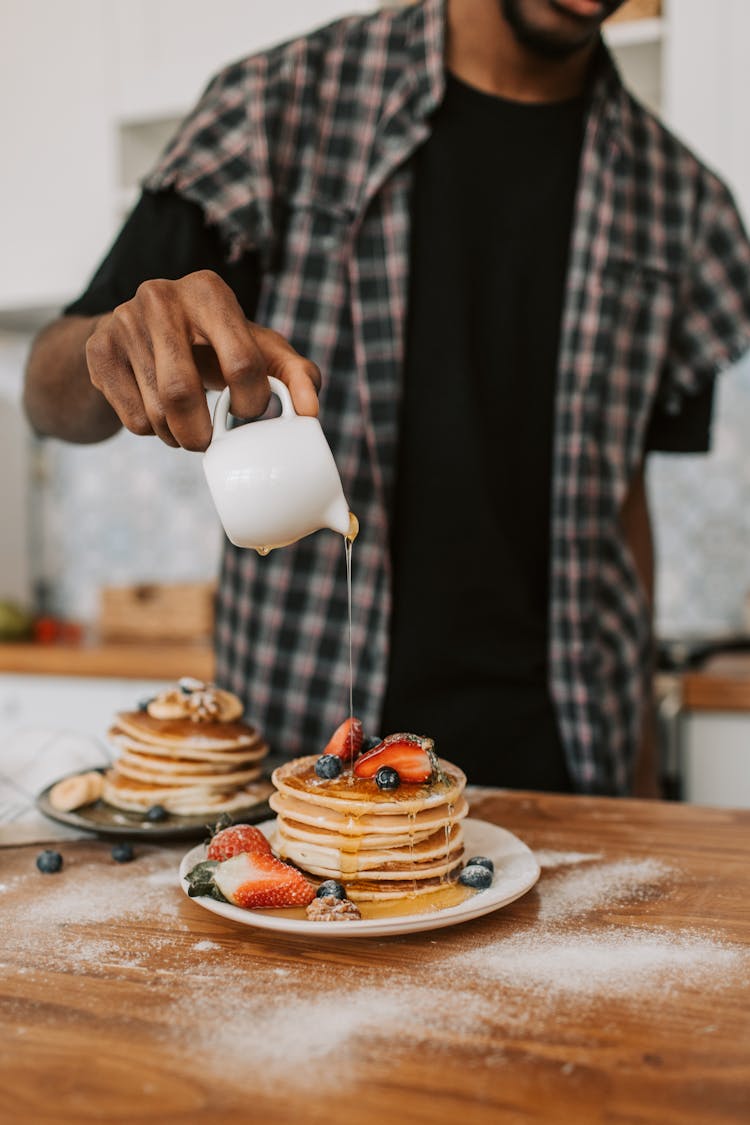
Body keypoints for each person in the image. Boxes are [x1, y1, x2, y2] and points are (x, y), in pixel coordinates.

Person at [23, 0, 750, 795]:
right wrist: (115, 347)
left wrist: (641, 782)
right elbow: (46, 389)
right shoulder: (280, 107)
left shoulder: (685, 205)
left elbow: (624, 501)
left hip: (570, 768)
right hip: (302, 762)